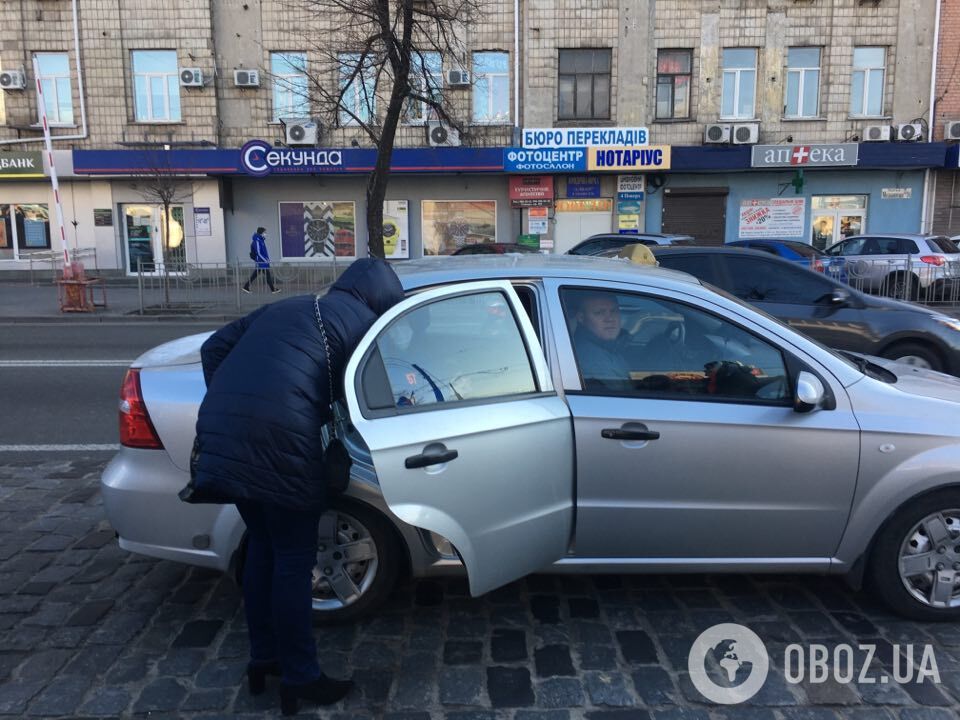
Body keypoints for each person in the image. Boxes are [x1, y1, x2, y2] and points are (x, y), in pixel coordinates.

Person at [186, 258, 404, 715]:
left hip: (222, 436)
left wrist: (236, 403)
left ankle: (263, 659)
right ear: (382, 300)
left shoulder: (289, 306)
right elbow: (376, 399)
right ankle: (301, 676)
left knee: (264, 549)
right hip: (281, 445)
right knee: (292, 560)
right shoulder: (365, 327)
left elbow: (212, 351)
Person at [569, 292, 632, 392]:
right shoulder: (588, 358)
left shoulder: (610, 348)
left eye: (613, 311)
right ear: (581, 318)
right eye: (599, 313)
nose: (609, 319)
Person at [243, 226, 280, 294]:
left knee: (255, 275)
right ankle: (273, 289)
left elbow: (263, 251)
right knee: (267, 275)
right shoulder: (257, 241)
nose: (266, 233)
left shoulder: (261, 240)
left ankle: (246, 286)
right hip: (261, 262)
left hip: (262, 261)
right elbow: (259, 252)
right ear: (261, 233)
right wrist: (265, 260)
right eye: (265, 232)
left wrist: (267, 259)